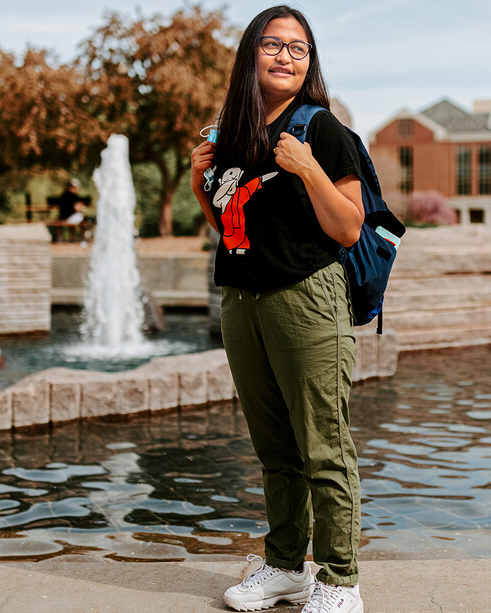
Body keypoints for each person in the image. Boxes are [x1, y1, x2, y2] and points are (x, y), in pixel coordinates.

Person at [190, 6, 366, 613]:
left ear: (309, 62)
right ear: (250, 54)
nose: (286, 57)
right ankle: (287, 568)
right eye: (273, 45)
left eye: (299, 48)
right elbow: (231, 227)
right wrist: (198, 184)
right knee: (274, 450)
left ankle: (341, 583)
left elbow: (348, 228)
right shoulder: (233, 133)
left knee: (323, 445)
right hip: (242, 299)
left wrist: (309, 168)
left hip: (307, 298)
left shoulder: (323, 129)